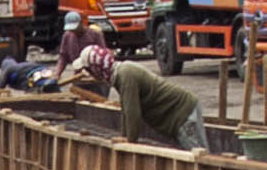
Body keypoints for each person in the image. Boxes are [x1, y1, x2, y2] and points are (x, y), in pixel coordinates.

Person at [67, 42, 203, 148]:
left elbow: (133, 111)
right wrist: (124, 136)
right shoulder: (121, 73)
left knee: (200, 161)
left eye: (89, 70)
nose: (90, 75)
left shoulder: (125, 75)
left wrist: (130, 140)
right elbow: (126, 110)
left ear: (97, 69)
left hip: (183, 113)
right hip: (180, 114)